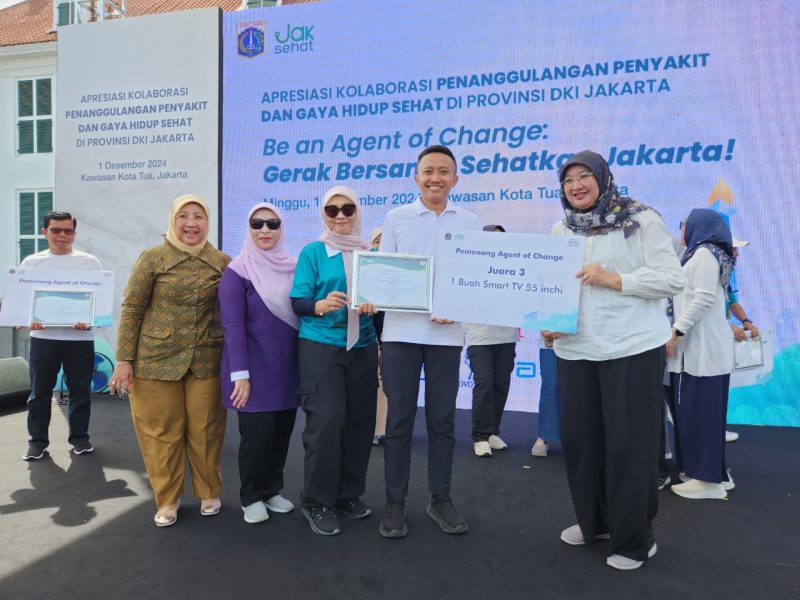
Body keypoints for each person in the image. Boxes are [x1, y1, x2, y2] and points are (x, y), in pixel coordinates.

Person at [545, 150, 683, 571]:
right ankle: (595, 523)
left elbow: (673, 278)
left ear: (604, 179)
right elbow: (553, 288)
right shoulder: (561, 229)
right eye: (569, 180)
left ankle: (635, 540)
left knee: (629, 447)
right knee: (582, 444)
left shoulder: (640, 220)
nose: (576, 186)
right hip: (576, 350)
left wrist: (616, 279)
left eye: (585, 176)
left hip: (631, 348)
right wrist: (548, 323)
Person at [378, 145, 481, 538]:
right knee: (399, 422)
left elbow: (475, 278)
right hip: (401, 335)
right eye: (428, 171)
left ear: (455, 179)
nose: (435, 178)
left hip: (446, 337)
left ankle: (440, 498)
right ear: (416, 177)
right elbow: (384, 274)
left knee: (442, 421)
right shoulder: (396, 218)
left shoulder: (469, 221)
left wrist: (457, 305)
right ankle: (394, 502)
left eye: (443, 171)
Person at [109, 194, 230, 527]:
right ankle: (167, 498)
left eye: (199, 216)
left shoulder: (222, 261)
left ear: (208, 222)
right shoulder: (153, 258)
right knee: (161, 432)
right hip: (154, 360)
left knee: (206, 428)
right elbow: (132, 309)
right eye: (184, 216)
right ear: (173, 220)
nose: (191, 223)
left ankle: (209, 491)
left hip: (206, 358)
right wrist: (124, 360)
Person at [290, 186, 378, 536]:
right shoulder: (313, 251)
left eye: (347, 209)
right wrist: (319, 305)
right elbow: (298, 300)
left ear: (357, 212)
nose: (340, 215)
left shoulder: (371, 254)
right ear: (323, 215)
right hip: (321, 345)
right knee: (326, 422)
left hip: (363, 346)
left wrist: (376, 305)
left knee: (360, 422)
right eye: (332, 210)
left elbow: (386, 300)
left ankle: (347, 495)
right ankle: (316, 501)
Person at [219, 203, 299, 524]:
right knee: (257, 437)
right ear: (249, 228)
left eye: (272, 223)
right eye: (257, 223)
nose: (265, 229)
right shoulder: (237, 271)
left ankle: (271, 490)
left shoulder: (294, 267)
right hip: (252, 370)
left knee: (281, 433)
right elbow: (233, 325)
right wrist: (240, 374)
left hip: (287, 367)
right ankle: (251, 496)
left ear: (281, 228)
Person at [21, 211, 103, 461]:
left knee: (80, 391)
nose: (62, 235)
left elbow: (99, 301)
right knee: (39, 392)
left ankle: (80, 438)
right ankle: (37, 442)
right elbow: (23, 300)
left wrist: (90, 319)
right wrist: (28, 318)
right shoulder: (31, 263)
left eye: (68, 231)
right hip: (43, 338)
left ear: (74, 234)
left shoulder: (89, 262)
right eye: (56, 230)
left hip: (80, 339)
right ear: (44, 232)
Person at [667, 208, 735, 500]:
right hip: (697, 351)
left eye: (684, 224)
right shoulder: (700, 253)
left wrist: (677, 331)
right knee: (700, 414)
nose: (681, 229)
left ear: (697, 226)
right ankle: (712, 473)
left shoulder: (705, 254)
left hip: (701, 352)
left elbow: (704, 297)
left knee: (701, 414)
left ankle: (707, 481)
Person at [466, 224, 519, 457]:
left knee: (501, 385)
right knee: (484, 383)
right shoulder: (472, 269)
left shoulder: (515, 267)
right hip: (480, 337)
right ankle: (480, 436)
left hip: (507, 336)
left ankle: (492, 432)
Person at [724, 237, 758, 443]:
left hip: (720, 338)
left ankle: (717, 428)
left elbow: (732, 303)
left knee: (721, 387)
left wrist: (746, 321)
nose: (737, 254)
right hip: (705, 341)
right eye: (734, 249)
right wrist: (729, 327)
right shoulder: (707, 273)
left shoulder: (724, 277)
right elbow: (702, 310)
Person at [369, 227, 388, 446]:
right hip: (372, 340)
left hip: (394, 340)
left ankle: (386, 429)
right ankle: (373, 429)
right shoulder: (366, 270)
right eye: (376, 241)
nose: (380, 246)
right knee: (374, 388)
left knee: (389, 389)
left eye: (385, 241)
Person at [531, 334, 560, 458]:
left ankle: (583, 438)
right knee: (550, 386)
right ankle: (543, 436)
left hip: (582, 344)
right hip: (551, 342)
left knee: (581, 388)